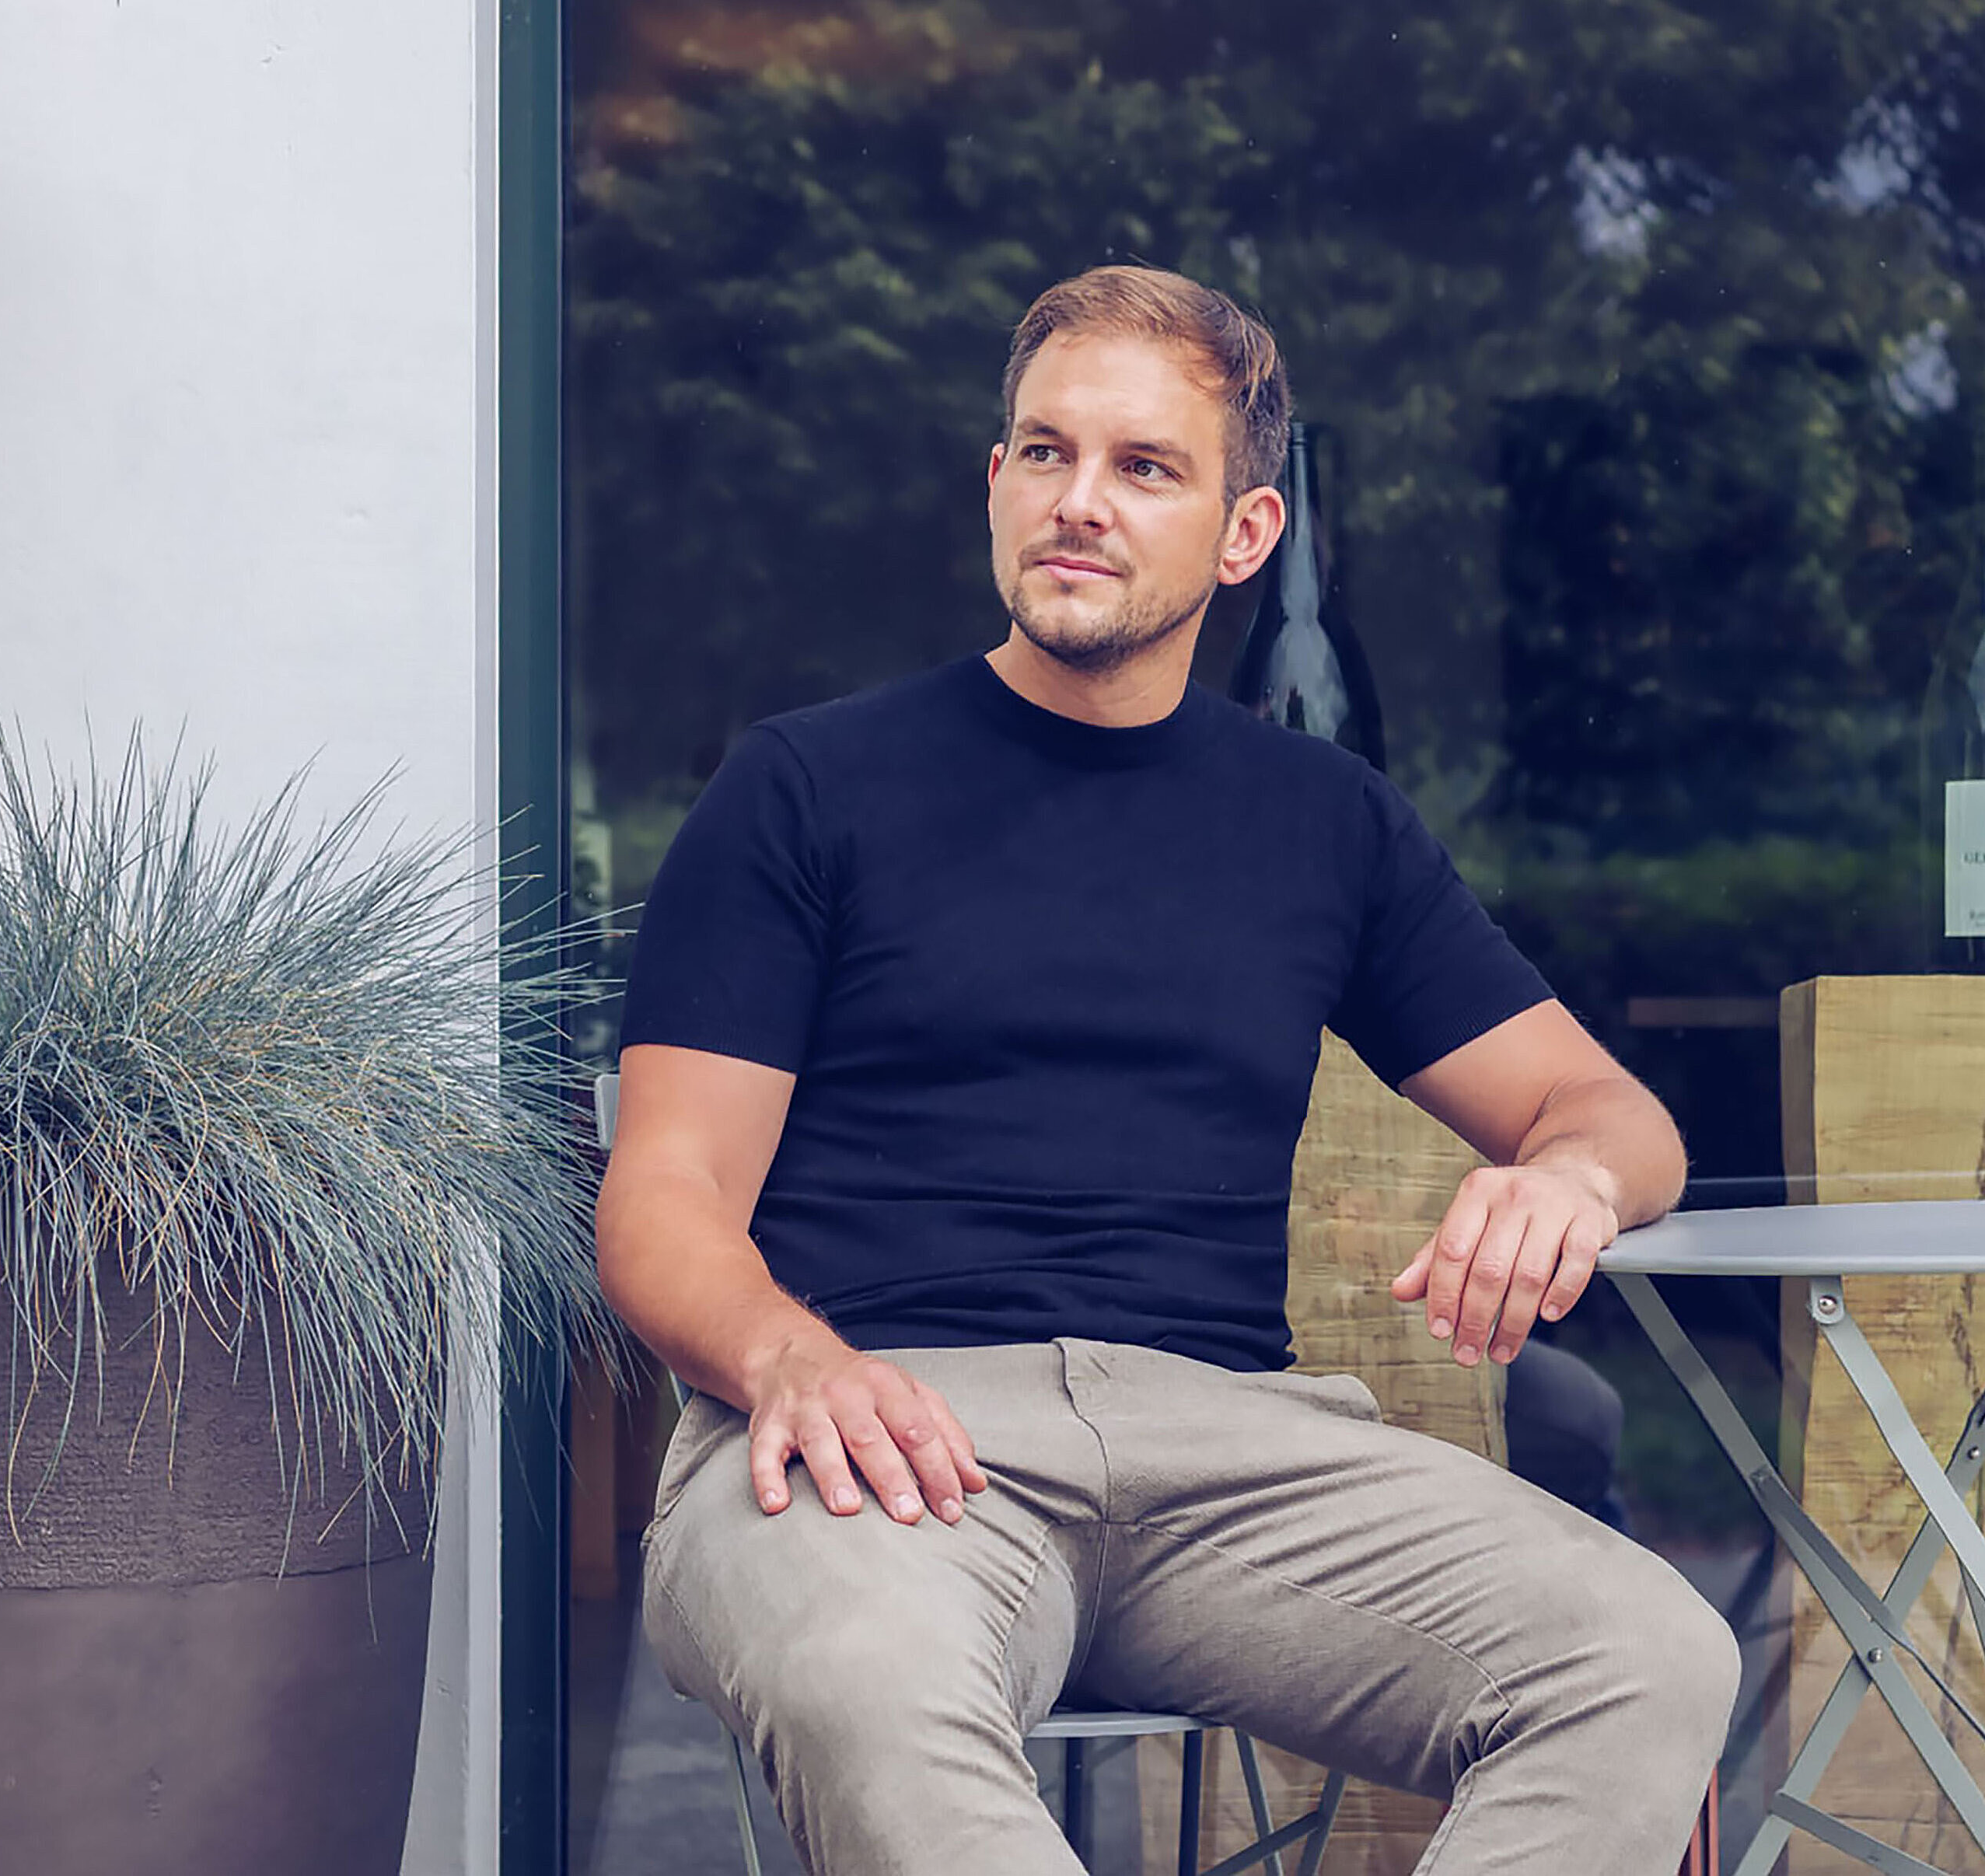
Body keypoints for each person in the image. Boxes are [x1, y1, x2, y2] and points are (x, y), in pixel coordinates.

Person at [595, 264, 1739, 1875]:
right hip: (882, 1433)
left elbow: (1613, 1114)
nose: (1080, 501)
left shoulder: (1322, 823)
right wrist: (792, 1361)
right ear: (996, 483)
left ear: (1244, 533)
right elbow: (662, 1195)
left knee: (1648, 1655)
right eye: (1045, 452)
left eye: (1144, 467)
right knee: (871, 1680)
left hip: (1233, 1453)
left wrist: (1571, 1178)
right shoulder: (804, 786)